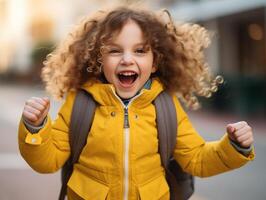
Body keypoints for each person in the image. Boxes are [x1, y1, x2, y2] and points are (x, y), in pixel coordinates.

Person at [18, 5, 255, 200]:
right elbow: (47, 161)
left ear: (154, 63)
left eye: (140, 50)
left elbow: (197, 158)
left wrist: (233, 147)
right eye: (114, 51)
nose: (127, 59)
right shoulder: (80, 102)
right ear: (98, 60)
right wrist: (35, 128)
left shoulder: (165, 105)